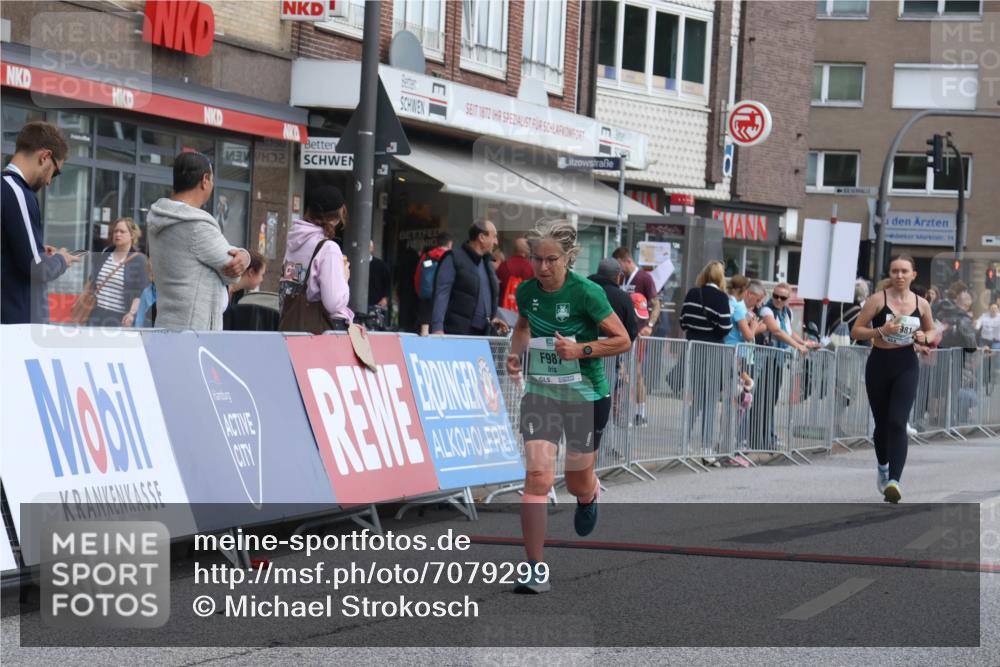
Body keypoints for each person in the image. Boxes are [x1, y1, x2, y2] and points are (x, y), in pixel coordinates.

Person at [506, 220, 631, 593]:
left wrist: (579, 350)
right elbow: (524, 326)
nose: (542, 268)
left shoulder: (587, 292)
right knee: (538, 477)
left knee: (576, 479)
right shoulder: (527, 291)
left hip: (586, 396)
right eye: (536, 260)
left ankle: (588, 492)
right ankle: (535, 567)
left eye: (551, 260)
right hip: (542, 393)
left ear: (568, 258)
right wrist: (516, 355)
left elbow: (622, 339)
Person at [851, 255, 935, 504]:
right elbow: (856, 331)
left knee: (898, 422)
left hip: (906, 365)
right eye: (895, 271)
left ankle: (894, 482)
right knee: (882, 425)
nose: (899, 275)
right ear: (890, 274)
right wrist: (881, 331)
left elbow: (931, 330)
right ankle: (883, 467)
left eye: (904, 271)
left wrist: (924, 338)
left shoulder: (922, 304)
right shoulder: (878, 300)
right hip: (879, 364)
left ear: (913, 275)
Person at [147, 151, 250, 331]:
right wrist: (244, 256)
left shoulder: (158, 216)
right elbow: (232, 272)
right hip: (195, 332)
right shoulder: (197, 225)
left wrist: (244, 255)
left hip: (166, 323)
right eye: (212, 180)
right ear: (204, 180)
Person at [1, 121, 79, 324]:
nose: (49, 181)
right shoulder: (18, 192)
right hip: (14, 326)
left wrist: (38, 249)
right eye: (55, 171)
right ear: (45, 156)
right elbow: (37, 269)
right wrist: (61, 260)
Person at [281, 185, 353, 330]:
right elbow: (333, 304)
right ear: (337, 216)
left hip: (291, 325)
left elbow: (291, 283)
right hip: (318, 334)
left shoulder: (295, 240)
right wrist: (344, 279)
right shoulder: (328, 249)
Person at [431, 220, 508, 336]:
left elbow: (485, 296)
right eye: (494, 237)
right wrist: (437, 328)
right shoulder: (453, 258)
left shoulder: (487, 263)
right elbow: (442, 293)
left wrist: (494, 317)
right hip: (457, 334)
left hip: (483, 335)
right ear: (482, 237)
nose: (496, 242)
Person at [612, 247, 660, 426]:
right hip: (620, 332)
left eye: (619, 264)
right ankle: (619, 411)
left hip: (637, 333)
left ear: (627, 260)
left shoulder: (644, 278)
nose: (619, 269)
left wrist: (650, 326)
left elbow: (656, 304)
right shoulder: (621, 278)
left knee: (636, 372)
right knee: (620, 372)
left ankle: (641, 413)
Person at [86, 218, 149, 327]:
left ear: (132, 235)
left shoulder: (139, 260)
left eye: (122, 231)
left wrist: (131, 313)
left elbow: (141, 292)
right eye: (115, 231)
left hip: (118, 318)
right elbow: (92, 281)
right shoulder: (105, 253)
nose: (118, 234)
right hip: (95, 313)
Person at [223, 250, 270, 331]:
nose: (262, 279)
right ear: (251, 272)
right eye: (262, 274)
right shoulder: (223, 289)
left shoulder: (238, 294)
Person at [416, 232, 452, 336]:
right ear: (449, 244)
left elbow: (418, 277)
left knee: (425, 332)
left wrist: (421, 293)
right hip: (444, 301)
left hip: (426, 298)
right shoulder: (449, 257)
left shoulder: (426, 256)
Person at [497, 237, 534, 312]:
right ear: (527, 251)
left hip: (504, 310)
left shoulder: (503, 266)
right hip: (524, 312)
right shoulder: (531, 268)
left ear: (514, 249)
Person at [368, 240, 392, 330]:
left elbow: (388, 282)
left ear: (372, 248)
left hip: (376, 302)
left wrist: (385, 298)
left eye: (369, 246)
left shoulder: (381, 265)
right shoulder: (354, 264)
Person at [133, 259, 157, 328]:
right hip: (151, 331)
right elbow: (140, 317)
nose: (151, 277)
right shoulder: (146, 292)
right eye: (150, 274)